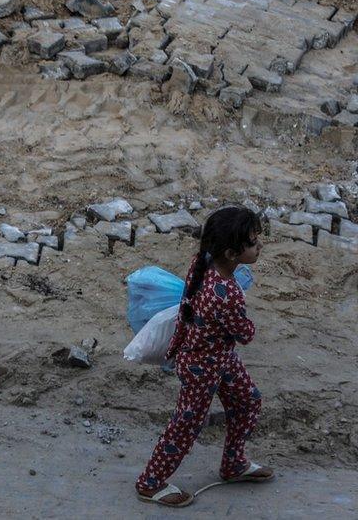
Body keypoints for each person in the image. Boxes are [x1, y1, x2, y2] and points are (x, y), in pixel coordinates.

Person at [136, 206, 273, 507]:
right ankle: (150, 482)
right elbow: (246, 333)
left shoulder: (205, 263)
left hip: (214, 357)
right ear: (232, 253)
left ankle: (234, 463)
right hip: (203, 365)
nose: (259, 245)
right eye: (252, 242)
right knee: (187, 423)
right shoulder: (227, 294)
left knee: (248, 399)